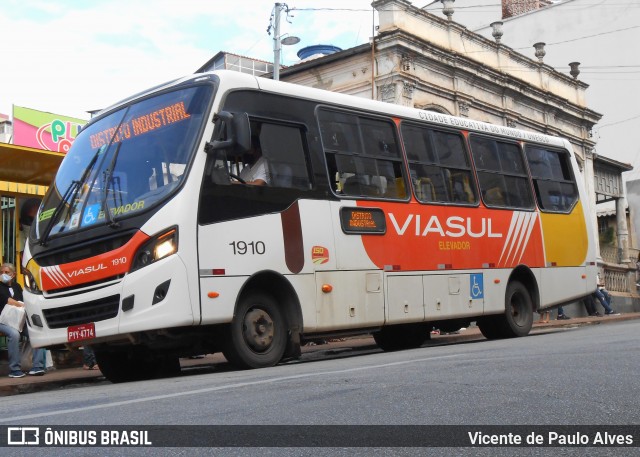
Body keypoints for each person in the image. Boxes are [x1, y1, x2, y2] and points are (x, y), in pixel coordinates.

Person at [0, 263, 46, 378]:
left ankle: (37, 367)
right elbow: (9, 301)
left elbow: (23, 300)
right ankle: (14, 369)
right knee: (14, 334)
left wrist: (22, 305)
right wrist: (21, 305)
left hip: (17, 320)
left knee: (37, 332)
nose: (3, 275)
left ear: (13, 274)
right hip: (2, 321)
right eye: (1, 273)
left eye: (6, 272)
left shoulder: (17, 286)